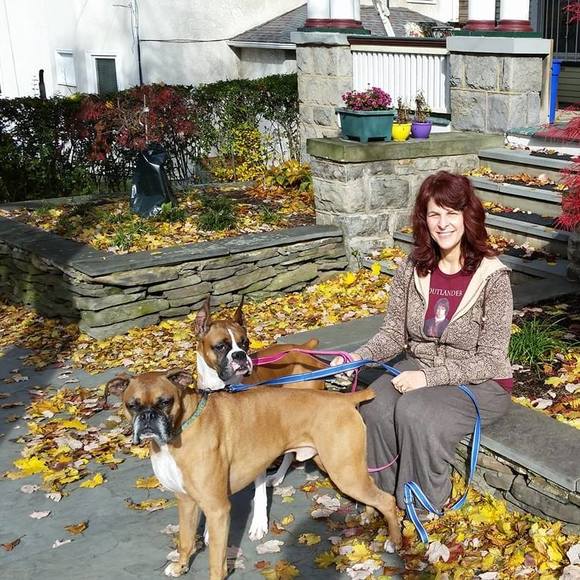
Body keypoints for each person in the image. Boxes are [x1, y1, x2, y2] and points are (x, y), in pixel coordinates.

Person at [331, 170, 513, 515]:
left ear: (467, 216)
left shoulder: (493, 277)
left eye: (451, 213)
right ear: (423, 219)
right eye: (434, 214)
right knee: (374, 404)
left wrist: (428, 378)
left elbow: (491, 359)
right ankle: (381, 496)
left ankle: (423, 503)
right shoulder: (413, 267)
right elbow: (393, 334)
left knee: (416, 412)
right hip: (422, 365)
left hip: (482, 382)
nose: (442, 223)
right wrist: (356, 359)